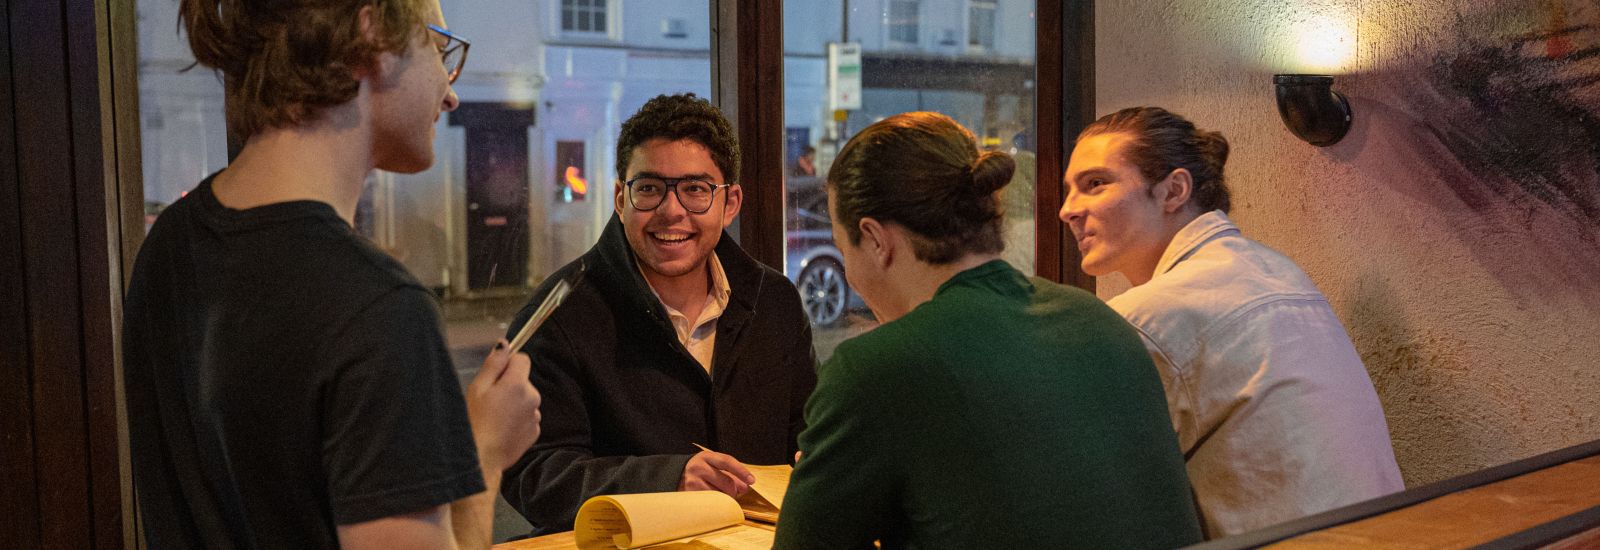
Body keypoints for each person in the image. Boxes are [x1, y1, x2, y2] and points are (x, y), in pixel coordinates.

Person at [122, 1, 543, 548]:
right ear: (371, 36)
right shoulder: (380, 308)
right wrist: (484, 454)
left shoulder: (171, 243)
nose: (451, 90)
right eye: (440, 49)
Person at [773, 112, 1203, 549]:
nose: (847, 272)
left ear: (876, 239)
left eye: (843, 247)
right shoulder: (1098, 320)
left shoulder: (875, 367)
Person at [1058, 106, 1404, 537]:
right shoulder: (1276, 270)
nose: (1067, 210)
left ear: (1173, 191)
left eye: (1094, 185)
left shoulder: (1151, 316)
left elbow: (1079, 488)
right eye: (1069, 190)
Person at [501, 93, 818, 535]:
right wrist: (669, 480)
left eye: (695, 190)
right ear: (619, 198)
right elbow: (536, 474)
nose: (671, 211)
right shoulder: (559, 314)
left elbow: (807, 432)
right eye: (649, 189)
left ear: (730, 204)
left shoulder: (774, 302)